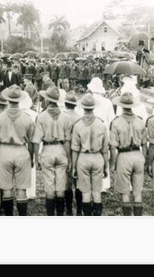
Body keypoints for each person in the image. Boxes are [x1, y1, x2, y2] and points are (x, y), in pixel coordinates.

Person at [0, 85, 35, 216]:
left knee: (7, 188)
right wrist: (31, 157)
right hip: (22, 151)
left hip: (4, 151)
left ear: (7, 99)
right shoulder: (27, 118)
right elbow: (32, 142)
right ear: (20, 100)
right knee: (22, 189)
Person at [33, 86, 73, 216]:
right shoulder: (66, 117)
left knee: (49, 187)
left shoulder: (41, 116)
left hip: (48, 149)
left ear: (47, 100)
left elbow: (36, 140)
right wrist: (69, 158)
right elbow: (67, 140)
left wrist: (36, 159)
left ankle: (50, 215)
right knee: (61, 187)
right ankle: (60, 215)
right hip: (61, 149)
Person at [110, 92, 147, 216]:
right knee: (138, 192)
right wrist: (144, 160)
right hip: (138, 155)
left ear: (121, 106)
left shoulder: (116, 122)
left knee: (125, 192)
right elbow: (144, 145)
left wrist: (113, 164)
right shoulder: (140, 122)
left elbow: (113, 147)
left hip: (123, 156)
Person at [71, 94, 109, 216]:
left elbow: (75, 149)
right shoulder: (101, 124)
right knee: (97, 191)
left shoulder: (78, 125)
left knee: (86, 192)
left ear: (82, 107)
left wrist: (73, 166)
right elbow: (105, 148)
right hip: (98, 157)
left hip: (83, 157)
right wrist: (106, 166)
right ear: (94, 107)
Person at [86, 77, 115, 194]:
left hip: (90, 129)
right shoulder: (107, 102)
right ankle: (103, 184)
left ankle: (90, 182)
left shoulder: (88, 100)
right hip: (104, 129)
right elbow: (111, 119)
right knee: (104, 154)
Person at [62, 90, 82, 215]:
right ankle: (79, 210)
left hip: (65, 150)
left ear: (65, 104)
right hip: (79, 152)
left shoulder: (63, 117)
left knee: (67, 183)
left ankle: (69, 210)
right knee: (79, 182)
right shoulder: (80, 118)